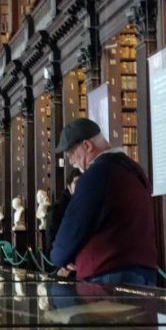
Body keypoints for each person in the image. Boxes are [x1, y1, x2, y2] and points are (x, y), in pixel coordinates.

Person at [50, 118, 157, 285]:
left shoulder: (96, 175)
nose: (71, 161)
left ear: (87, 146)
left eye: (71, 153)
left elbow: (75, 227)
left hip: (108, 274)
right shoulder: (135, 170)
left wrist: (59, 258)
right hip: (144, 272)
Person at [45, 171, 80, 253]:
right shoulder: (57, 209)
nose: (81, 186)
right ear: (69, 187)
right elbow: (51, 242)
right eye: (77, 182)